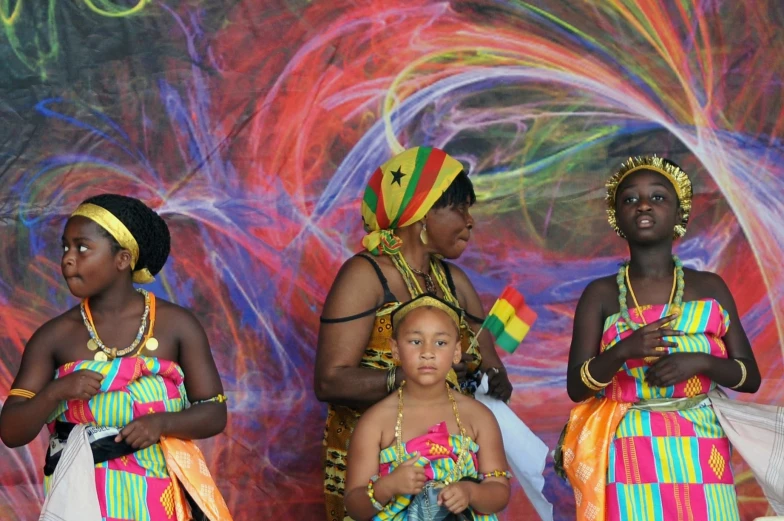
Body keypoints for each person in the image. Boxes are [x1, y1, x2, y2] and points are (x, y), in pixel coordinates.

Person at [0, 194, 232, 520]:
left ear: (123, 259)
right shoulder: (54, 337)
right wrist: (57, 391)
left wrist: (161, 423)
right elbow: (11, 431)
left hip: (159, 498)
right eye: (65, 248)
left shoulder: (177, 325)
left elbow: (214, 412)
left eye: (82, 248)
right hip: (78, 501)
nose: (67, 259)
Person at [315, 146, 513, 521]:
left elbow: (489, 363)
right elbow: (329, 381)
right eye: (459, 208)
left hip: (451, 468)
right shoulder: (365, 275)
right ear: (419, 214)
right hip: (375, 463)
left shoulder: (456, 282)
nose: (470, 221)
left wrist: (492, 379)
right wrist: (414, 378)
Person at [559, 156, 761, 521]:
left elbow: (749, 376)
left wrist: (701, 362)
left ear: (680, 213)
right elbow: (577, 387)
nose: (644, 205)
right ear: (616, 217)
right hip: (631, 443)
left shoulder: (710, 287)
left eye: (658, 197)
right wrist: (625, 350)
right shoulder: (600, 295)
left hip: (702, 443)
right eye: (630, 199)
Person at [344, 294, 511, 520]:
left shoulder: (478, 417)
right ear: (395, 349)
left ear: (456, 352)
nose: (427, 352)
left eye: (440, 343)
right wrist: (388, 487)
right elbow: (355, 506)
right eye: (415, 341)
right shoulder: (375, 422)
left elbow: (499, 491)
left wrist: (470, 492)